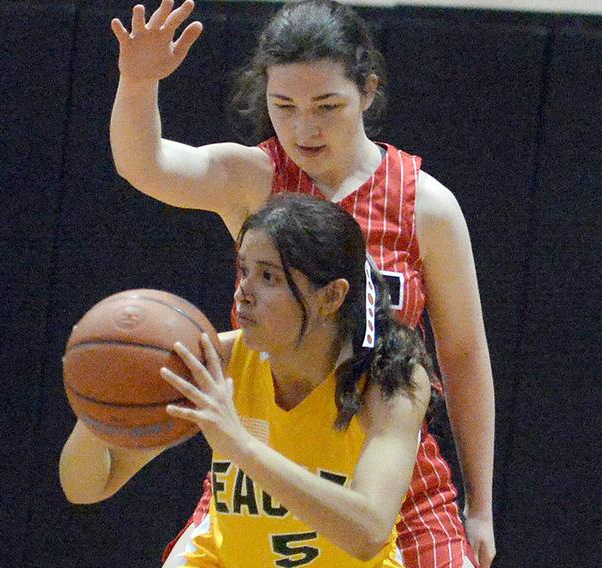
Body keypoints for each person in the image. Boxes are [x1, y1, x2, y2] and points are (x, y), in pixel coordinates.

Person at [108, 0, 495, 566]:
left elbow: (462, 352)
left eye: (326, 106)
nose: (303, 127)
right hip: (265, 469)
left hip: (388, 478)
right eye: (283, 106)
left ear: (367, 91)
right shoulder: (255, 178)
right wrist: (137, 83)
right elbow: (147, 166)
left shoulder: (425, 205)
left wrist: (480, 504)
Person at [61, 194, 438, 566]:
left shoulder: (391, 380)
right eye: (244, 270)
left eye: (268, 276)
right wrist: (98, 399)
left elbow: (368, 531)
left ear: (331, 296)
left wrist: (240, 445)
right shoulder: (216, 361)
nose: (244, 293)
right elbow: (87, 486)